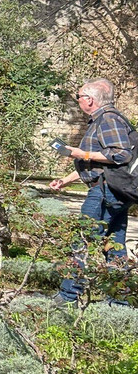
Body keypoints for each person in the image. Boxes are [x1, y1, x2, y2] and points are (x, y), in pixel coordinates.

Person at [48, 78, 133, 304]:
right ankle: (120, 301)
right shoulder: (103, 120)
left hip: (105, 192)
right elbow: (101, 164)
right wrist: (66, 180)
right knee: (114, 244)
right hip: (111, 189)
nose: (77, 101)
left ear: (90, 99)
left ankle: (68, 296)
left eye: (79, 97)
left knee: (82, 240)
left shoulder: (108, 120)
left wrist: (81, 154)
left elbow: (121, 155)